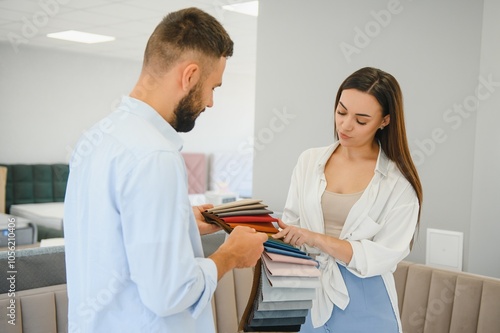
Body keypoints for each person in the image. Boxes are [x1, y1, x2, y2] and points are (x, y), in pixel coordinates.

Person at [63, 7, 268, 333]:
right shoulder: (155, 155)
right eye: (213, 87)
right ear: (189, 76)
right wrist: (230, 255)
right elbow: (169, 293)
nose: (211, 103)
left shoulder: (97, 136)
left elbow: (111, 235)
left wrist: (181, 221)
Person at [273, 67, 423, 333]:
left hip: (366, 302)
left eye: (361, 120)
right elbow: (291, 223)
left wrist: (316, 239)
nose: (345, 125)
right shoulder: (309, 161)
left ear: (385, 121)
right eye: (341, 112)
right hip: (308, 294)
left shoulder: (399, 183)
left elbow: (384, 256)